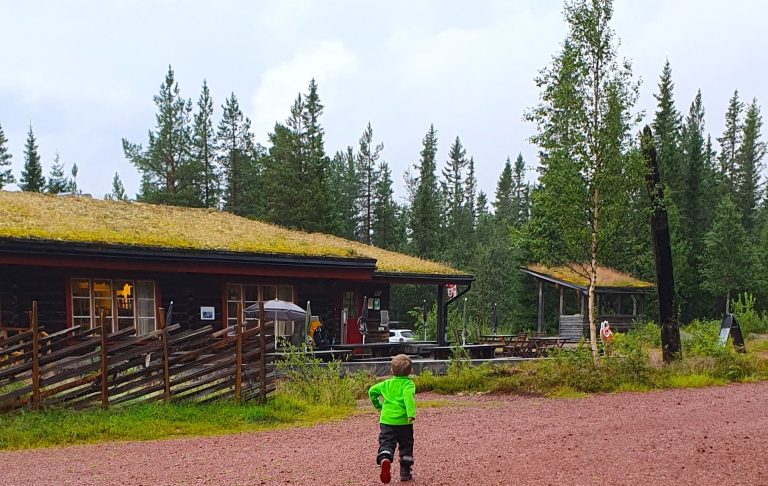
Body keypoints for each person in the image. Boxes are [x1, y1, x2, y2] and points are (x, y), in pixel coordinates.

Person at [368, 354, 416, 483]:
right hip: (404, 422)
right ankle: (405, 472)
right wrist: (411, 414)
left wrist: (378, 405)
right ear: (410, 371)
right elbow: (408, 397)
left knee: (387, 442)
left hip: (387, 421)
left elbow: (372, 391)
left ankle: (385, 458)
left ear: (391, 370)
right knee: (406, 445)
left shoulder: (385, 384)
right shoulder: (409, 384)